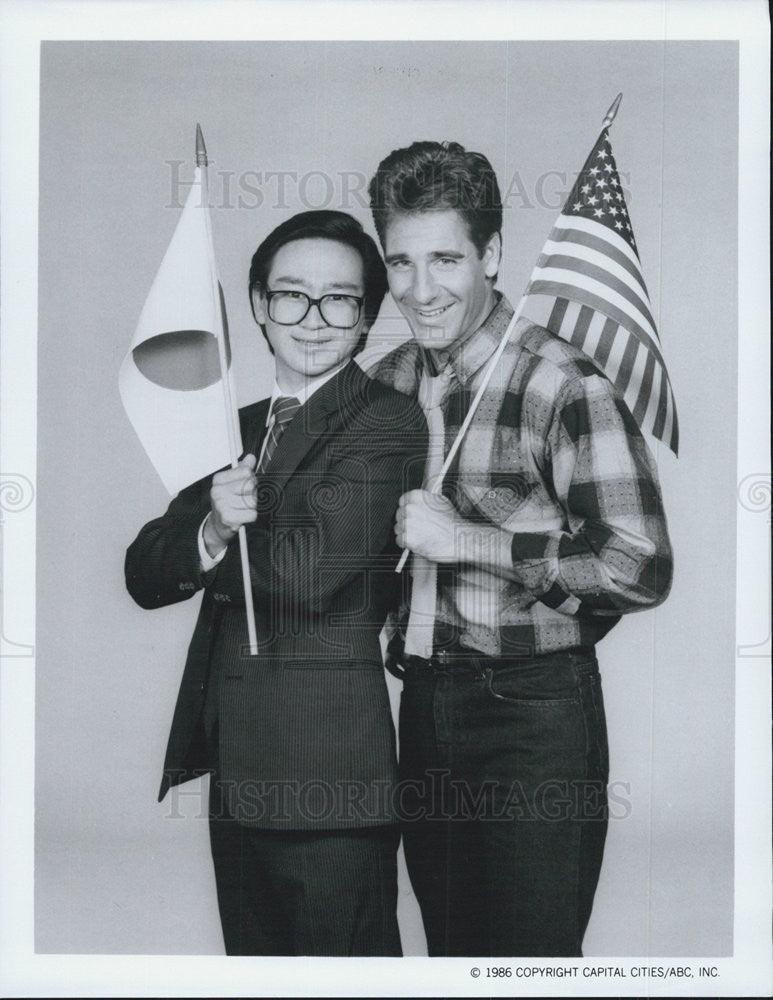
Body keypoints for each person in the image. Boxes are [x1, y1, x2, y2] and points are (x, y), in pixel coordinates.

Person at [367, 141, 673, 957]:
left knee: (527, 963)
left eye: (445, 259)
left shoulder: (560, 382)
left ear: (491, 255)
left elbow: (638, 567)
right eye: (400, 262)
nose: (420, 289)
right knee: (453, 958)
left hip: (531, 715)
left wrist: (467, 538)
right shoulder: (385, 383)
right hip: (424, 707)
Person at [125, 210, 427, 956]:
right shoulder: (234, 427)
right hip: (239, 773)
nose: (314, 320)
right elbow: (144, 570)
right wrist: (207, 531)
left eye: (340, 300)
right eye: (291, 296)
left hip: (330, 782)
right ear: (259, 304)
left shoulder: (386, 423)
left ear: (367, 317)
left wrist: (223, 536)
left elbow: (307, 574)